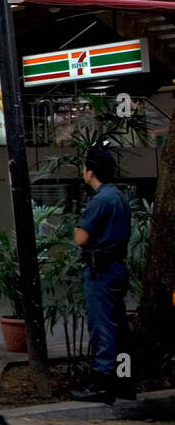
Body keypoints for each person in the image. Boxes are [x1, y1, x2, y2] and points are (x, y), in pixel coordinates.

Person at [71, 148, 135, 403]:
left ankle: (102, 383)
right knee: (119, 326)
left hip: (101, 271)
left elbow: (81, 236)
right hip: (116, 267)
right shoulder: (118, 197)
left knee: (103, 326)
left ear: (91, 172)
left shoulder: (100, 200)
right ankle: (124, 381)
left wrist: (78, 228)